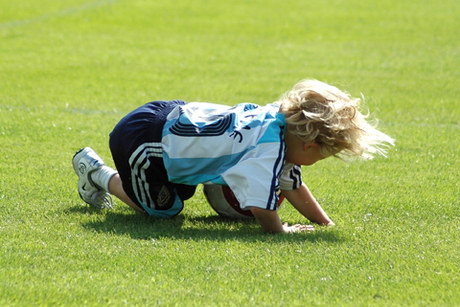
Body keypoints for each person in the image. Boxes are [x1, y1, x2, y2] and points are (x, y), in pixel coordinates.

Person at [72, 79, 394, 233]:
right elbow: (262, 206)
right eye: (322, 158)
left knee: (181, 191)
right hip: (146, 143)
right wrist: (281, 232)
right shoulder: (270, 151)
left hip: (168, 119)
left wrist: (325, 223)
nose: (314, 164)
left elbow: (291, 185)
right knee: (164, 211)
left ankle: (133, 177)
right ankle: (97, 173)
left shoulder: (277, 126)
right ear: (309, 146)